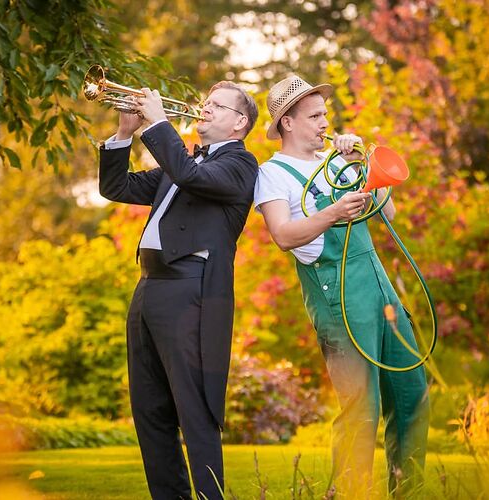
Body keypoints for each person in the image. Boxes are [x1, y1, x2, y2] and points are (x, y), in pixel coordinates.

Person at [254, 75, 429, 497]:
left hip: (380, 290)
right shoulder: (271, 174)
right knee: (361, 409)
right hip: (336, 298)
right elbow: (283, 235)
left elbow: (387, 207)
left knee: (413, 394)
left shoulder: (335, 160)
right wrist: (332, 212)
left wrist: (363, 165)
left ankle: (410, 492)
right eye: (314, 116)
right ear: (288, 123)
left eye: (325, 115)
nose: (324, 122)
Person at [98, 81, 259, 499]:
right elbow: (115, 188)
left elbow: (192, 177)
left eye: (217, 106)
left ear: (239, 122)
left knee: (194, 407)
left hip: (190, 291)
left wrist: (158, 123)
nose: (205, 109)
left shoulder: (241, 164)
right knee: (149, 410)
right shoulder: (183, 161)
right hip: (149, 288)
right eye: (206, 103)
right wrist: (124, 134)